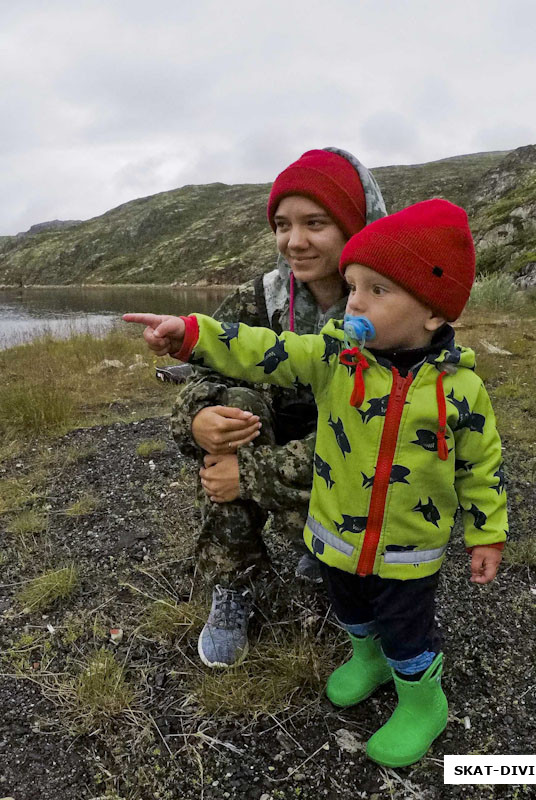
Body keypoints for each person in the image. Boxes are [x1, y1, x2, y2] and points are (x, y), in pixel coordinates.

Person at [125, 198, 508, 767]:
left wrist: (486, 533)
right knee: (348, 605)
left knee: (408, 629)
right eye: (353, 287)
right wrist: (190, 334)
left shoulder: (462, 391)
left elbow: (481, 468)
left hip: (410, 545)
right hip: (337, 530)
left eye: (377, 291)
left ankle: (423, 703)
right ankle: (366, 658)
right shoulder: (337, 356)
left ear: (432, 311)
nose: (354, 301)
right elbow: (264, 350)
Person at [169, 148, 387, 668]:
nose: (294, 241)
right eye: (283, 225)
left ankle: (326, 551)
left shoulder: (388, 307)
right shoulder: (261, 299)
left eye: (316, 223)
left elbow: (375, 434)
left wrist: (248, 473)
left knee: (373, 591)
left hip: (358, 472)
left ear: (354, 226)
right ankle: (236, 580)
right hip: (282, 455)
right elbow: (203, 373)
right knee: (235, 406)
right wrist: (200, 420)